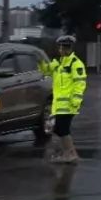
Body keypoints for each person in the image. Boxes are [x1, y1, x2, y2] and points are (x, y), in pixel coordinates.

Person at [40, 34, 87, 163]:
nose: (61, 50)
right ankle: (70, 153)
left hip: (69, 105)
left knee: (62, 129)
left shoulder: (75, 64)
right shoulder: (59, 63)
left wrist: (75, 102)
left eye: (64, 47)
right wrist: (40, 62)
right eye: (61, 47)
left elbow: (79, 84)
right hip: (59, 105)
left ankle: (70, 154)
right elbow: (46, 71)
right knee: (60, 129)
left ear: (69, 48)